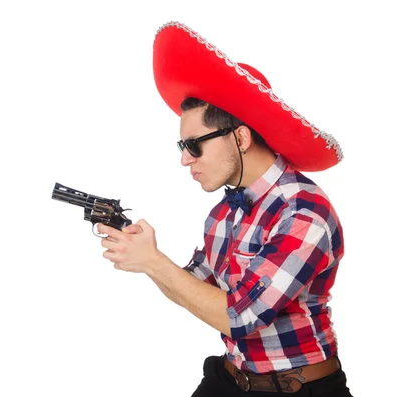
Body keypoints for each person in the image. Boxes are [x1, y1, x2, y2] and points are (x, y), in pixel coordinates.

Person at [96, 22, 353, 396]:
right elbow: (194, 287)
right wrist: (142, 252)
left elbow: (240, 316)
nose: (185, 160)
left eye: (194, 145)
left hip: (299, 388)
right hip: (232, 378)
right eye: (180, 147)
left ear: (241, 137)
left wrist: (153, 262)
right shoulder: (224, 213)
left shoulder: (303, 213)